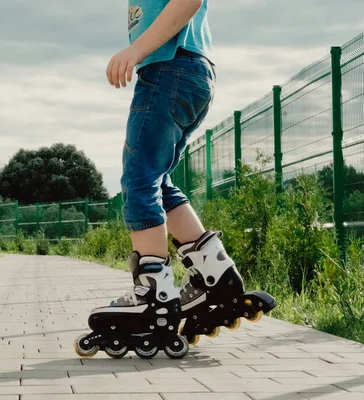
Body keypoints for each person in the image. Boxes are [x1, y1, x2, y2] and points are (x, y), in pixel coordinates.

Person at [74, 0, 276, 360]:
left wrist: (136, 49)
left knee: (139, 183)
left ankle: (154, 301)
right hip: (186, 72)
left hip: (170, 70)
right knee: (158, 182)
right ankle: (217, 276)